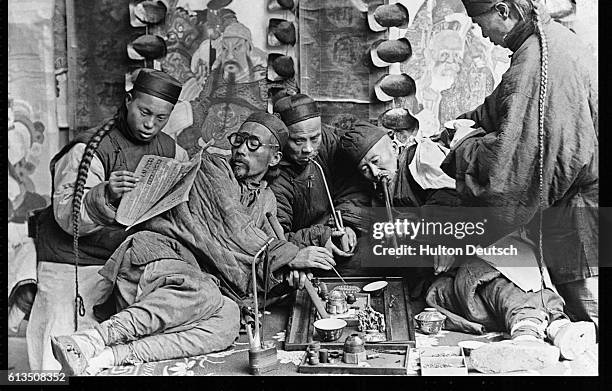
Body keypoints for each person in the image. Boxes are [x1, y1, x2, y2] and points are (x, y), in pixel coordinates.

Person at [50, 111, 335, 375]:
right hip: (156, 258)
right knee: (206, 292)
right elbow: (233, 230)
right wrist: (289, 256)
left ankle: (110, 356)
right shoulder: (211, 167)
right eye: (238, 141)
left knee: (228, 320)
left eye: (252, 144)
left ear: (274, 158)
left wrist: (286, 276)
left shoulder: (266, 200)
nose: (240, 150)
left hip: (194, 283)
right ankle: (93, 338)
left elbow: (250, 275)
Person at [341, 120, 596, 373]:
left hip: (486, 240)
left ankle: (529, 333)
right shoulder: (376, 191)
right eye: (365, 169)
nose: (375, 172)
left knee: (491, 276)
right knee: (451, 294)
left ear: (393, 144)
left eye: (376, 161)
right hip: (446, 269)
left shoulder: (421, 159)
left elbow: (455, 196)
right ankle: (554, 328)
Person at [441, 0, 598, 327]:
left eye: (481, 25)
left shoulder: (536, 61)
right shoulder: (549, 39)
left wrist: (464, 147)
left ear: (504, 11)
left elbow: (511, 167)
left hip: (580, 222)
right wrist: (470, 119)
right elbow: (503, 106)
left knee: (590, 328)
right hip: (577, 212)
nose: (483, 35)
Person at [27, 68, 188, 371]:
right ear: (129, 101)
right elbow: (67, 218)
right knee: (56, 357)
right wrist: (105, 194)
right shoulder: (87, 149)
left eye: (161, 118)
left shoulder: (171, 150)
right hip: (73, 260)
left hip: (126, 259)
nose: (150, 124)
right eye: (144, 112)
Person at [270, 93, 372, 275]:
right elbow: (277, 240)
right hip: (307, 247)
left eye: (314, 138)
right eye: (298, 140)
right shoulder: (274, 176)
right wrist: (320, 237)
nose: (308, 148)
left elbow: (351, 188)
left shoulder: (326, 140)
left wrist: (347, 225)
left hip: (337, 229)